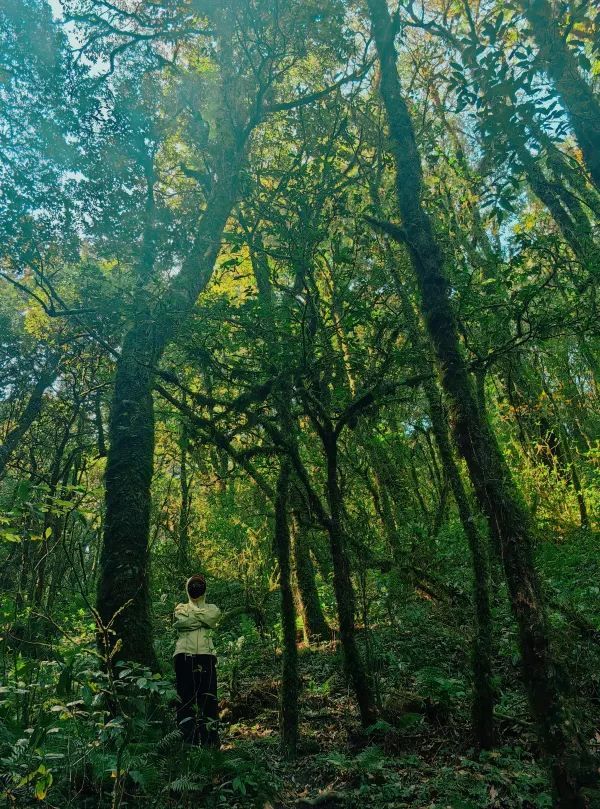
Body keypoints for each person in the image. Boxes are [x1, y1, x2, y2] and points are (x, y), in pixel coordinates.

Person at [173, 574, 221, 747]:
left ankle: (210, 744)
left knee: (208, 700)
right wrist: (203, 619)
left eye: (199, 584)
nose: (196, 587)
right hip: (184, 656)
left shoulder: (213, 608)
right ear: (187, 588)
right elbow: (180, 622)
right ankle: (188, 745)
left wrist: (192, 618)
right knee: (185, 701)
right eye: (193, 585)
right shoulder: (180, 607)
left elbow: (212, 618)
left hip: (206, 656)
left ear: (205, 588)